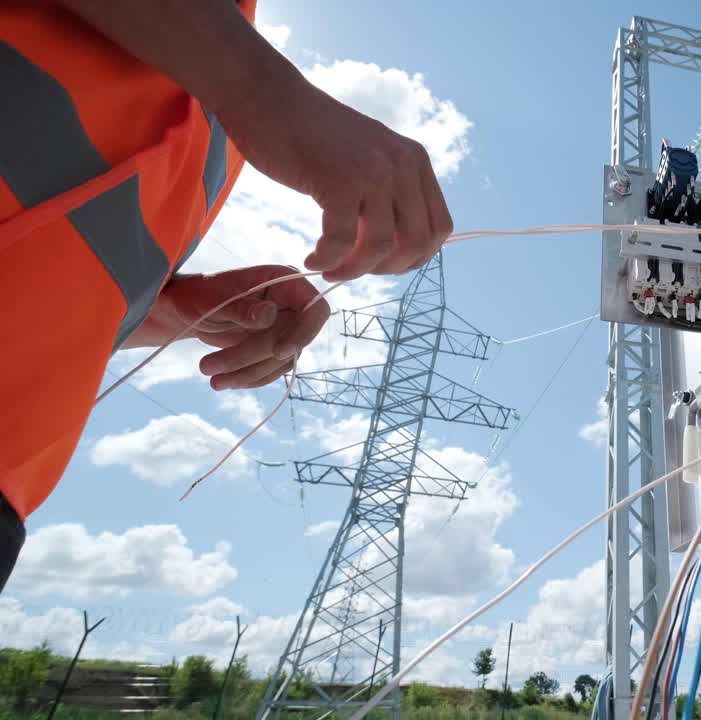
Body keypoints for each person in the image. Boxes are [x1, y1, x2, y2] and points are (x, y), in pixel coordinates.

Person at [0, 0, 454, 592]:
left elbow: (59, 290)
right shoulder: (225, 73)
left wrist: (179, 309)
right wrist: (263, 92)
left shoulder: (210, 104)